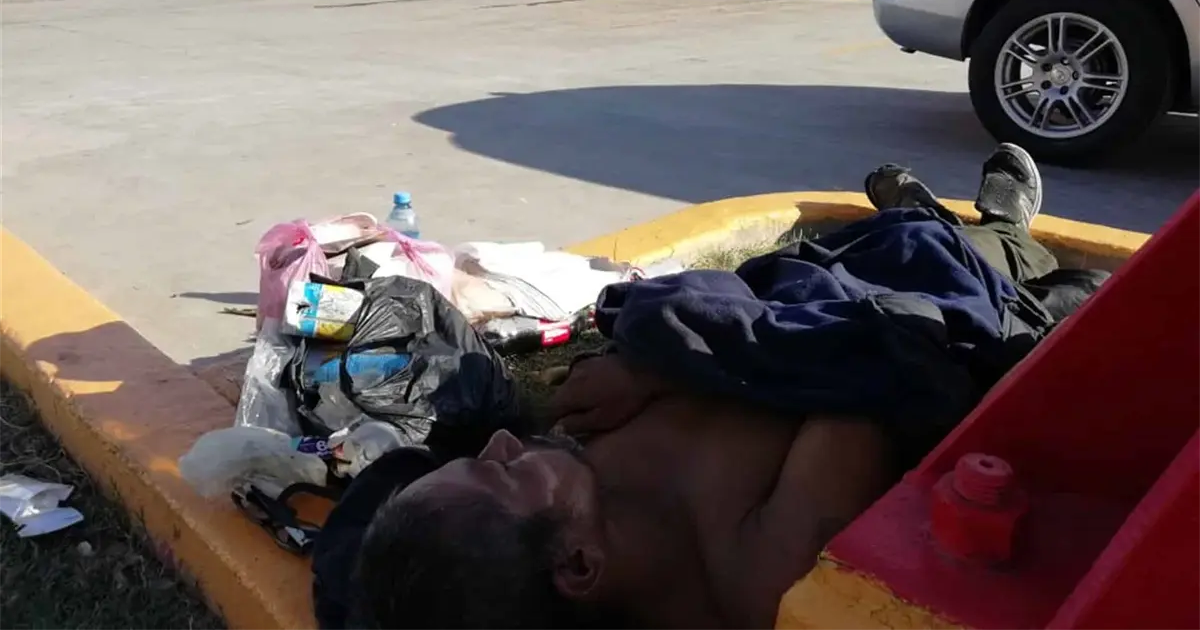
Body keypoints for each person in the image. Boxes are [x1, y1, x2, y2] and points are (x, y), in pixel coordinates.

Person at [355, 144, 1104, 630]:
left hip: (819, 283)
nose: (503, 439)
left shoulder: (580, 469)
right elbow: (866, 362)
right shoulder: (764, 567)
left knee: (893, 247)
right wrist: (659, 362)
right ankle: (1006, 230)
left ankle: (942, 220)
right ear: (579, 564)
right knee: (1010, 282)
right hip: (906, 304)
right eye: (499, 470)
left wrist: (651, 349)